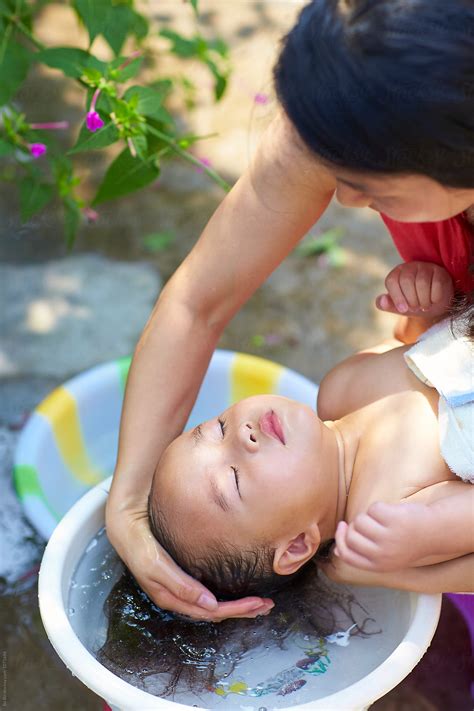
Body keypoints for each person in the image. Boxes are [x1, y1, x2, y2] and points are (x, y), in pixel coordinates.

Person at [106, 0, 474, 620]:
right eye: (233, 479)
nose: (346, 199)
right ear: (296, 545)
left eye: (372, 185)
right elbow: (197, 301)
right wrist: (128, 501)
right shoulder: (357, 441)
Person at [147, 315, 474, 598]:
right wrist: (422, 545)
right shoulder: (390, 517)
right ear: (296, 546)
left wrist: (422, 309)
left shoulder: (337, 389)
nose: (241, 434)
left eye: (218, 428)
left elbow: (408, 338)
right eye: (234, 478)